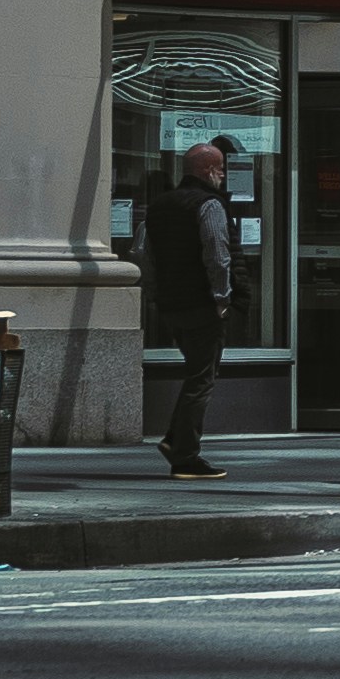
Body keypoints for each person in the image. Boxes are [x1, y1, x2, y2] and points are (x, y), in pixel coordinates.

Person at [144, 137, 238, 475]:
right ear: (210, 170)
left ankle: (174, 439)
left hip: (172, 306)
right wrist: (222, 299)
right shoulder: (208, 205)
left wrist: (156, 295)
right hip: (201, 305)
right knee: (202, 378)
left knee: (196, 373)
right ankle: (185, 455)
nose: (224, 177)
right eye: (222, 170)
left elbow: (146, 256)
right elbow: (217, 254)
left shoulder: (159, 206)